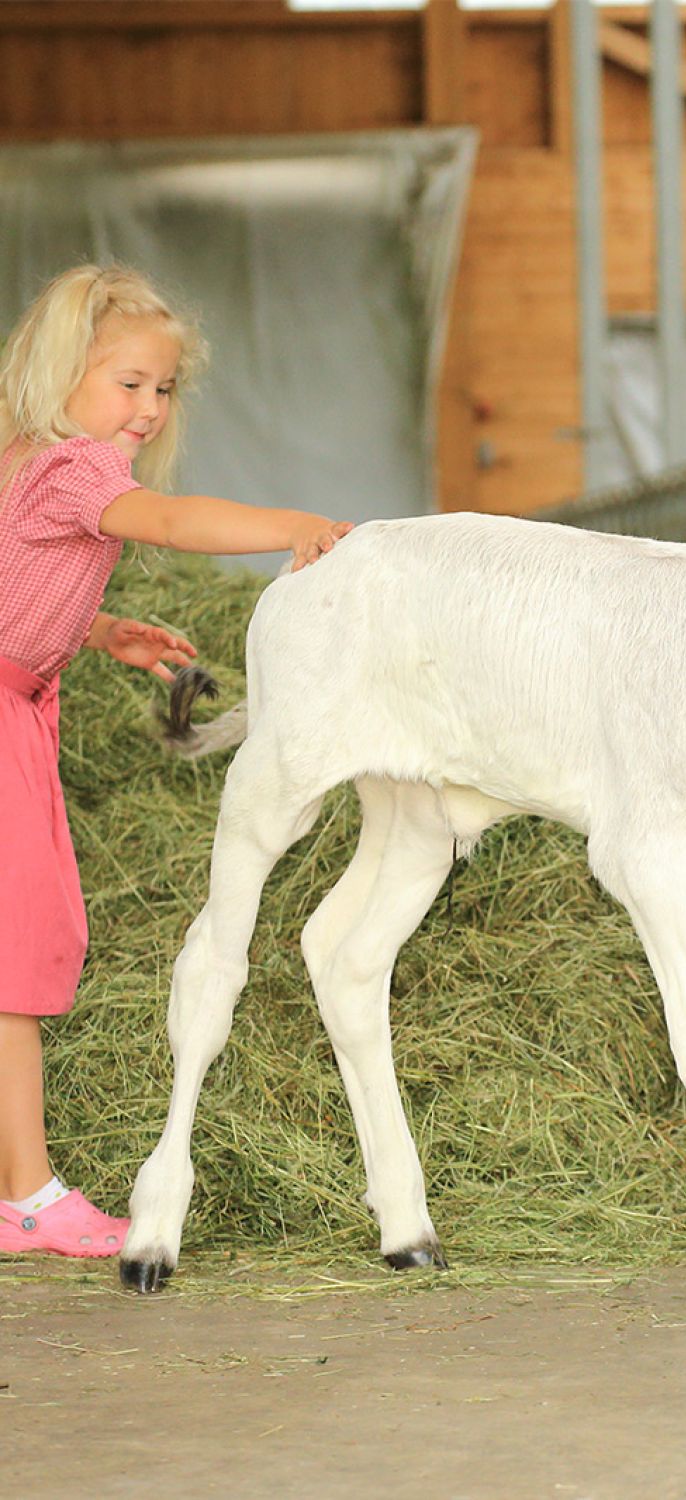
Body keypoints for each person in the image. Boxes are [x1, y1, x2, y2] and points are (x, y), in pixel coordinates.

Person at [0, 264, 351, 1258]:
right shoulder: (76, 469)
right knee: (18, 949)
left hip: (23, 697)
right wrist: (291, 528)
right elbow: (171, 520)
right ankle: (26, 1199)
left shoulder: (27, 458)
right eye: (128, 384)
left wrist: (100, 630)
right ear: (62, 371)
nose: (149, 409)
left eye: (163, 389)